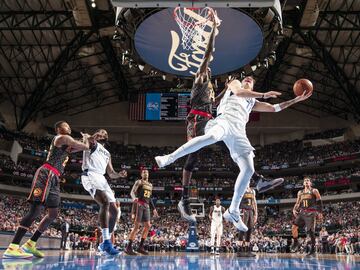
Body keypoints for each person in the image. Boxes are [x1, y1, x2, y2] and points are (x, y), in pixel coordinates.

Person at [155, 76, 312, 231]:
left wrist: (295, 100)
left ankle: (233, 211)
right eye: (247, 78)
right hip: (224, 121)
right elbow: (238, 92)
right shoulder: (235, 84)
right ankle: (169, 158)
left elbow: (274, 108)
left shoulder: (252, 102)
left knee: (248, 169)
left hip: (239, 132)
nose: (249, 79)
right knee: (211, 137)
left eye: (251, 79)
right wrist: (264, 94)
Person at [3, 121, 90, 259]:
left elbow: (82, 147)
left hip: (55, 177)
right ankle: (12, 247)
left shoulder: (66, 144)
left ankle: (30, 244)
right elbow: (84, 146)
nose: (68, 127)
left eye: (69, 125)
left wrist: (90, 139)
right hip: (46, 173)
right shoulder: (62, 137)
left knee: (53, 214)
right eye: (66, 125)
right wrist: (86, 138)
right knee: (35, 211)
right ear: (58, 129)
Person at [177, 12, 221, 223]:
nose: (206, 67)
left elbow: (216, 104)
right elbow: (208, 52)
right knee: (193, 156)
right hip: (196, 121)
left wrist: (228, 91)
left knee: (224, 144)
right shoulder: (201, 78)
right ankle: (184, 198)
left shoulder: (210, 89)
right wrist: (213, 28)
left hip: (208, 120)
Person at [81, 129, 127, 256]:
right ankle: (107, 243)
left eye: (106, 133)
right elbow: (87, 141)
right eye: (101, 132)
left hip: (102, 178)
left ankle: (105, 244)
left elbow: (111, 173)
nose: (104, 134)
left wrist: (119, 174)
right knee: (105, 203)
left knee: (114, 211)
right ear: (97, 134)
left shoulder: (107, 153)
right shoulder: (92, 142)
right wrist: (92, 136)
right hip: (90, 174)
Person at [125, 169, 159, 255]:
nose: (145, 173)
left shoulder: (150, 185)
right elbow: (132, 192)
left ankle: (140, 247)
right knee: (136, 226)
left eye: (147, 172)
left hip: (147, 206)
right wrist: (134, 198)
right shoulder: (139, 182)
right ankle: (128, 247)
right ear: (141, 174)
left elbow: (150, 198)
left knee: (148, 226)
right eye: (144, 172)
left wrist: (154, 209)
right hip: (139, 204)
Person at [291, 177, 323, 256]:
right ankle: (296, 242)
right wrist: (294, 209)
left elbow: (319, 201)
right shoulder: (300, 192)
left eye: (308, 181)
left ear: (310, 183)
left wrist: (320, 212)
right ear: (303, 183)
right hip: (302, 213)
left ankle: (312, 249)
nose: (306, 182)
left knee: (311, 232)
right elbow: (298, 203)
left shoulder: (314, 190)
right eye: (305, 181)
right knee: (294, 228)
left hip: (311, 213)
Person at [237, 185, 257, 257]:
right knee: (242, 229)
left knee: (250, 230)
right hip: (243, 210)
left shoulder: (252, 191)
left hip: (250, 211)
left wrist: (256, 214)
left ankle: (248, 250)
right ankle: (239, 250)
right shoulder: (240, 188)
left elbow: (254, 203)